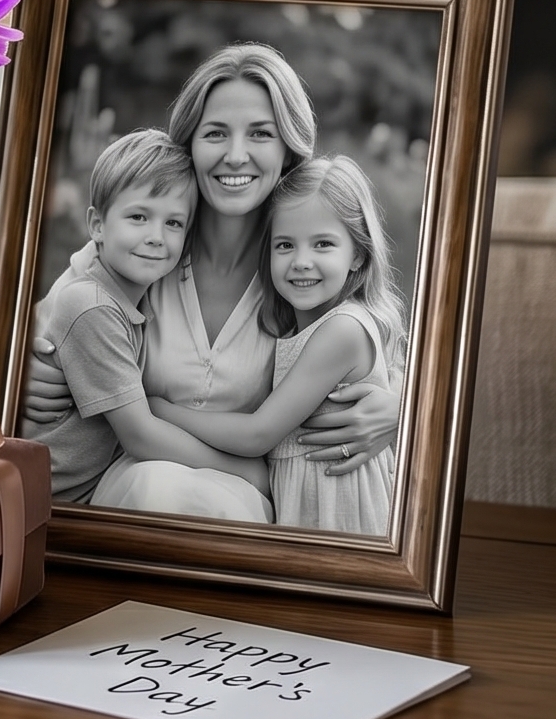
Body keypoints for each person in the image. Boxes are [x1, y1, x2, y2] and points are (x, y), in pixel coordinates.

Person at [24, 41, 400, 521]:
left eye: (261, 134)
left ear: (289, 150)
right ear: (190, 145)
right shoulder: (145, 249)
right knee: (155, 487)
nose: (236, 155)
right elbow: (42, 329)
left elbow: (376, 339)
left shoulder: (301, 268)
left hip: (248, 502)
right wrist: (19, 369)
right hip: (131, 489)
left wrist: (400, 410)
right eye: (216, 133)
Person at [149, 156, 405, 534]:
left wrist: (159, 410)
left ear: (358, 255)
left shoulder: (343, 331)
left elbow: (258, 434)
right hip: (306, 507)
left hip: (343, 519)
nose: (301, 262)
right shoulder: (298, 325)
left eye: (322, 244)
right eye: (285, 245)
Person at [21, 130, 265, 506]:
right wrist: (245, 472)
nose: (156, 237)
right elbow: (140, 435)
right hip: (48, 505)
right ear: (97, 226)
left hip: (82, 492)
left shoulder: (133, 298)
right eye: (138, 217)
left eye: (174, 223)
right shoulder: (93, 306)